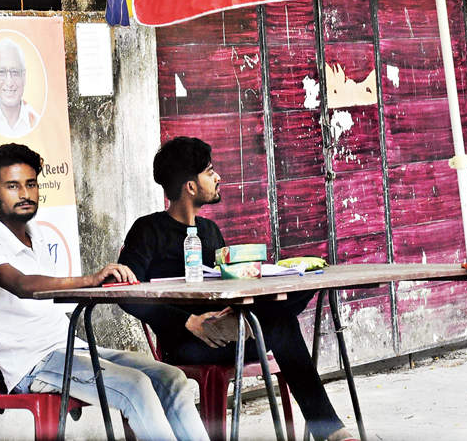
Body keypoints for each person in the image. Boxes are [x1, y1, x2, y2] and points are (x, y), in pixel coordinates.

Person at [118, 137, 359, 441]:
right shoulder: (148, 230)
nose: (218, 178)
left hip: (231, 327)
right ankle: (332, 431)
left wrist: (235, 303)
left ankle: (331, 431)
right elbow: (125, 294)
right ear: (190, 187)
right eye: (210, 171)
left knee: (287, 303)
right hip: (188, 341)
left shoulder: (209, 231)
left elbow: (226, 284)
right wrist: (186, 322)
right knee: (281, 322)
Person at [0, 143, 208, 441]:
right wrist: (91, 280)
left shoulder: (36, 235)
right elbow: (23, 285)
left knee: (172, 378)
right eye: (12, 186)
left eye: (30, 184)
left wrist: (104, 284)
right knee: (136, 387)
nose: (25, 194)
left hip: (70, 348)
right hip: (31, 364)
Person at [0, 38, 41, 138]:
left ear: (24, 76)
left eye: (15, 72)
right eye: (1, 72)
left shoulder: (36, 121)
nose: (9, 83)